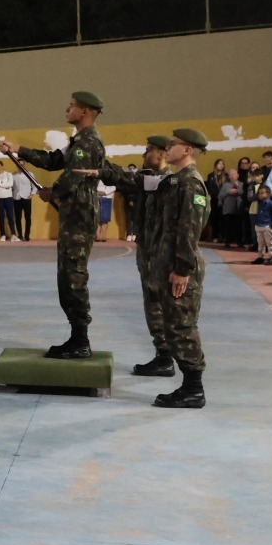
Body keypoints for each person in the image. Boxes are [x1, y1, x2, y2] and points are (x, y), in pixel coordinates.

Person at [0, 90, 106, 358]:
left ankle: (81, 341)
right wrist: (17, 149)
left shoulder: (88, 142)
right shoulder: (77, 141)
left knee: (74, 277)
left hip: (80, 217)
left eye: (71, 106)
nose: (66, 110)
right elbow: (52, 161)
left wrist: (52, 192)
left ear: (84, 112)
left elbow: (73, 176)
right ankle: (76, 336)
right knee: (66, 277)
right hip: (72, 216)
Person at [97, 134, 175, 376]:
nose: (144, 154)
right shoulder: (146, 178)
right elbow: (121, 176)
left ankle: (181, 362)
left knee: (169, 307)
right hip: (148, 252)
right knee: (151, 303)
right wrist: (98, 165)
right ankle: (163, 356)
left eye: (148, 150)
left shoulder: (174, 181)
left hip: (165, 255)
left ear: (161, 154)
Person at [146, 129, 213, 408]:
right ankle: (189, 386)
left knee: (182, 325)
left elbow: (189, 229)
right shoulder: (175, 181)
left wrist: (183, 269)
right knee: (174, 325)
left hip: (181, 267)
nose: (168, 148)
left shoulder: (191, 184)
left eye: (173, 145)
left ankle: (193, 389)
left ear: (187, 150)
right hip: (169, 263)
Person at [251, 186, 272, 265]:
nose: (260, 195)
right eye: (259, 193)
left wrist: (271, 224)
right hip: (259, 225)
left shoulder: (271, 204)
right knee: (260, 242)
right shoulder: (259, 203)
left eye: (262, 193)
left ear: (268, 194)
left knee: (270, 242)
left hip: (267, 225)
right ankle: (260, 257)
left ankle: (271, 257)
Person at [0, 160, 16, 240]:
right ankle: (3, 234)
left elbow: (10, 184)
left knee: (10, 216)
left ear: (2, 166)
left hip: (8, 198)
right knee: (1, 216)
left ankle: (13, 234)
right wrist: (4, 186)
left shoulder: (8, 174)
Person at [11, 165, 34, 241]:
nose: (20, 166)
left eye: (22, 165)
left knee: (27, 217)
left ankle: (27, 235)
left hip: (26, 197)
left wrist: (32, 194)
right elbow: (12, 186)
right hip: (17, 198)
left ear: (24, 165)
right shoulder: (14, 175)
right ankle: (20, 235)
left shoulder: (30, 173)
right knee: (18, 218)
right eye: (18, 165)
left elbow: (34, 185)